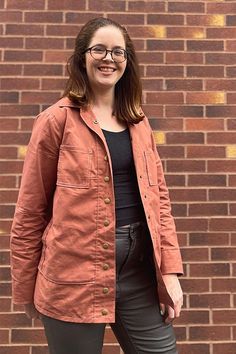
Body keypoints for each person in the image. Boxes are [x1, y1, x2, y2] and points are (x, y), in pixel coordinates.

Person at [10, 17, 183, 354]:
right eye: (99, 49)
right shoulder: (55, 121)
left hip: (138, 273)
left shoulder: (139, 122)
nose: (109, 58)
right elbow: (30, 212)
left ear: (127, 62)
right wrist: (25, 287)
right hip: (73, 276)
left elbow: (158, 201)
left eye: (118, 52)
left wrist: (170, 272)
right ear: (82, 57)